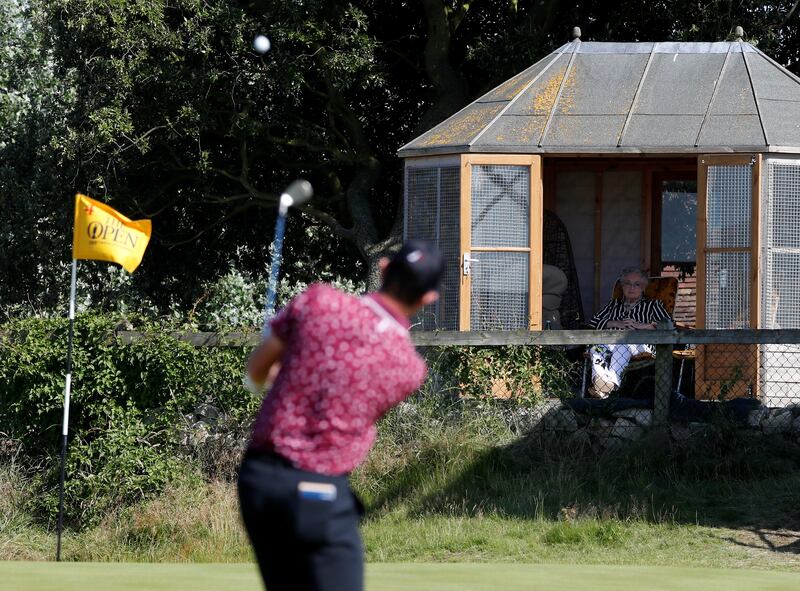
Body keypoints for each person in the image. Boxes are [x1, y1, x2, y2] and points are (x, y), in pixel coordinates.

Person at [237, 240, 443, 591]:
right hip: (317, 492)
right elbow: (346, 399)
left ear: (383, 269)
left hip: (259, 482)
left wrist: (277, 377)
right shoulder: (408, 367)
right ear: (428, 298)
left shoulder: (319, 301)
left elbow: (257, 371)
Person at [587, 267, 671, 398]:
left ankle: (607, 386)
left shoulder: (653, 305)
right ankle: (605, 386)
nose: (632, 288)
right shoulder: (613, 305)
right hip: (611, 343)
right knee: (596, 348)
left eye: (637, 284)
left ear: (643, 288)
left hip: (641, 344)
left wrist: (641, 325)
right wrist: (615, 323)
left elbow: (668, 325)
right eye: (628, 283)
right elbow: (593, 322)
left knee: (623, 345)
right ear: (622, 286)